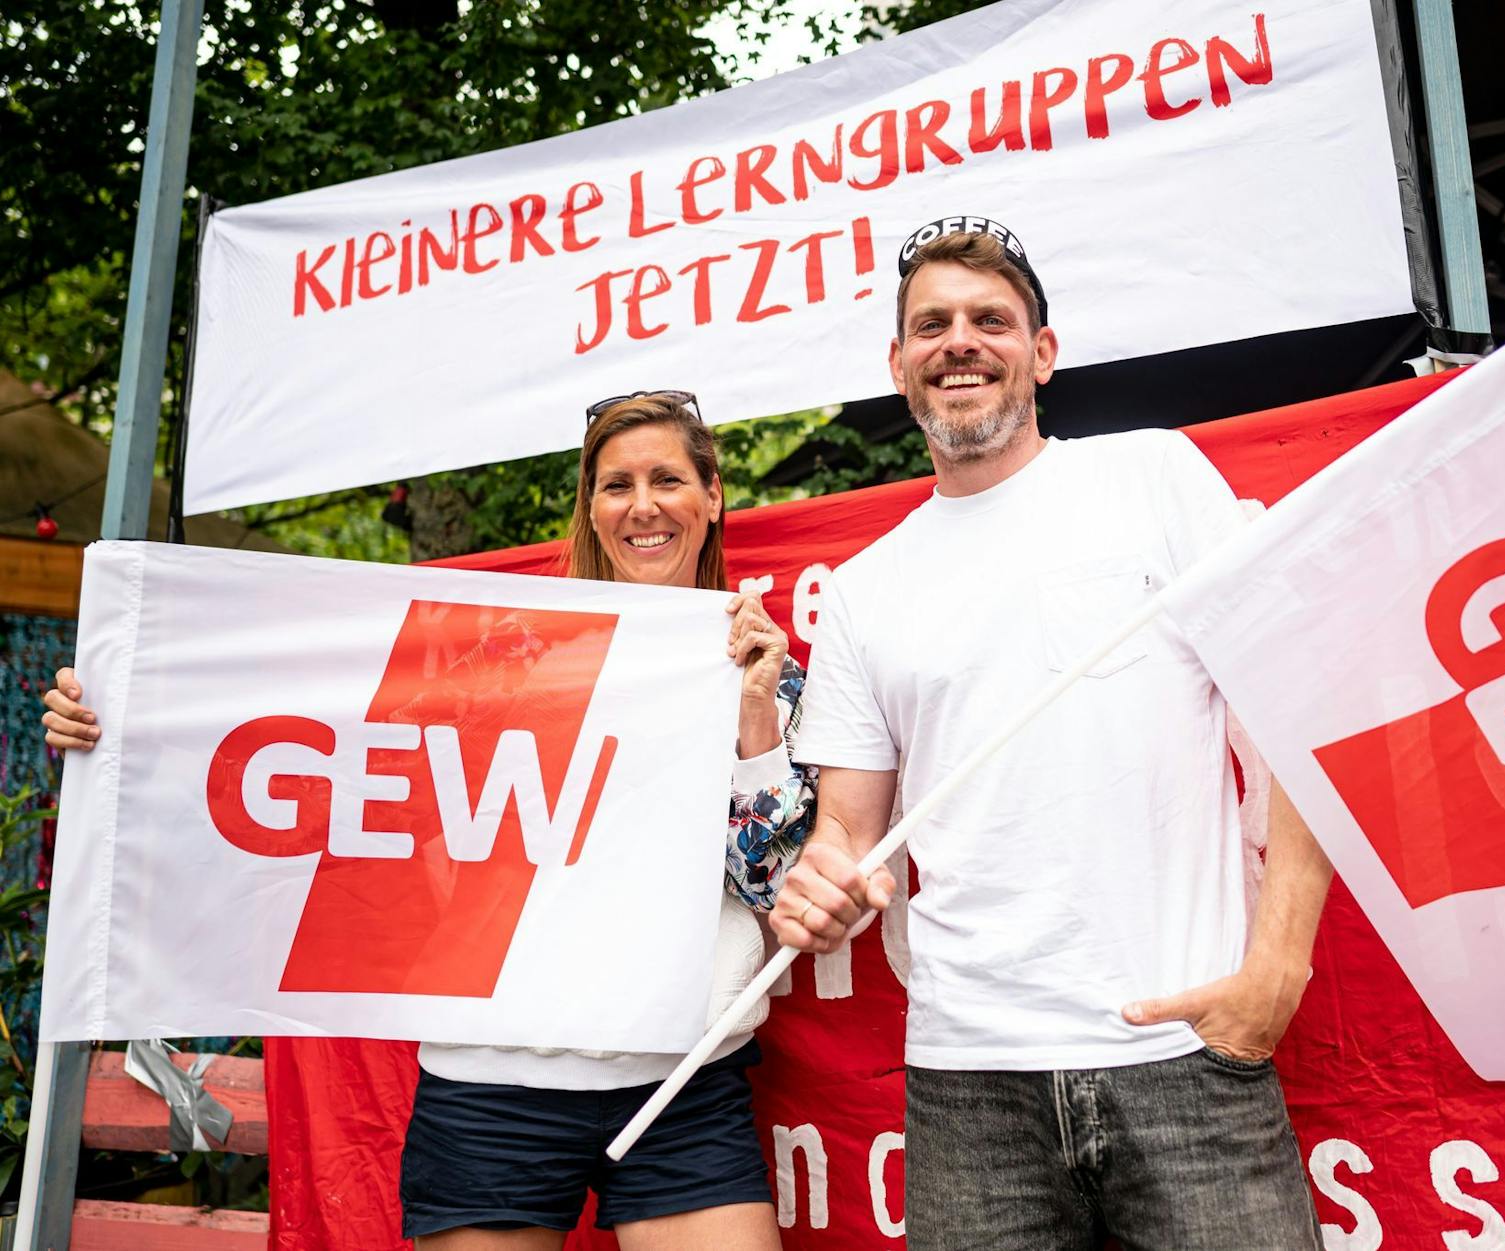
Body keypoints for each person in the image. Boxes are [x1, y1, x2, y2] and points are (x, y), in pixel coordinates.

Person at [43, 392, 809, 1251]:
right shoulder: (507, 655)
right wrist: (117, 724)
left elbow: (781, 894)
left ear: (711, 495)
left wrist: (753, 725)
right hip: (493, 1084)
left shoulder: (767, 674)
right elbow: (333, 762)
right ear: (589, 506)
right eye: (615, 483)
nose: (642, 505)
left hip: (682, 1088)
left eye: (667, 478)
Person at [766, 219, 1333, 1250]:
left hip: (1187, 1055)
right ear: (897, 367)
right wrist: (819, 887)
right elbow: (844, 838)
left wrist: (1276, 972)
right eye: (930, 325)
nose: (959, 341)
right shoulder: (861, 592)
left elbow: (1300, 713)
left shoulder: (1153, 478)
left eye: (990, 319)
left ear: (1043, 351)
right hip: (965, 1085)